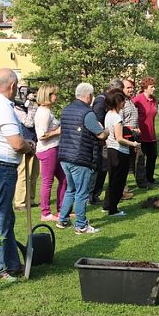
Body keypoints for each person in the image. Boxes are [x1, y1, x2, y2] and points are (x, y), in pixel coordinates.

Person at [0, 68, 36, 281]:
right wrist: (28, 147)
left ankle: (10, 263)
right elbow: (16, 143)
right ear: (11, 86)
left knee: (6, 217)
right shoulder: (1, 107)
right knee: (0, 219)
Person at [57, 83, 109, 234]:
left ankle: (63, 219)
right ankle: (81, 225)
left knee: (71, 189)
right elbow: (100, 134)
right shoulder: (88, 113)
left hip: (65, 156)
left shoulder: (65, 110)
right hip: (80, 157)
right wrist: (106, 130)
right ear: (89, 96)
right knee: (81, 192)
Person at [103, 89, 141, 216]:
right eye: (123, 100)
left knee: (112, 179)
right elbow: (119, 138)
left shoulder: (108, 114)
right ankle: (113, 209)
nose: (124, 103)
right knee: (118, 181)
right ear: (118, 102)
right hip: (119, 152)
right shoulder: (117, 117)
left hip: (111, 150)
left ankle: (107, 205)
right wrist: (134, 144)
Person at [33, 83, 65, 222]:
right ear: (47, 96)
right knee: (48, 181)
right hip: (48, 150)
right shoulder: (44, 113)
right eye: (54, 94)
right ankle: (45, 213)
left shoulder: (47, 111)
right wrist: (58, 131)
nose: (56, 97)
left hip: (54, 148)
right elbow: (42, 135)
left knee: (64, 179)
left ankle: (62, 209)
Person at [90, 78, 125, 203]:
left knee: (104, 168)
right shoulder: (101, 101)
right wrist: (103, 136)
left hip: (108, 139)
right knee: (100, 168)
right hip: (102, 140)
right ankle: (93, 195)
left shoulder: (107, 100)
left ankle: (96, 195)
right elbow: (97, 121)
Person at [13, 89, 39, 210]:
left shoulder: (32, 106)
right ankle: (20, 202)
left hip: (35, 142)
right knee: (24, 173)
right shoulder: (17, 109)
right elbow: (28, 123)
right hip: (25, 144)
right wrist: (32, 107)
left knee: (34, 173)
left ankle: (31, 199)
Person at [120, 78, 146, 189]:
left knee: (139, 159)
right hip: (126, 136)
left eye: (132, 87)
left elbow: (133, 118)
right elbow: (120, 121)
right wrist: (132, 129)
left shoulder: (130, 100)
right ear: (122, 89)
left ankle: (142, 183)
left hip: (135, 135)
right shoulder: (121, 102)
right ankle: (123, 187)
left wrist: (137, 129)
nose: (131, 90)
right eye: (128, 87)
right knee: (124, 163)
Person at [133, 77, 159, 186]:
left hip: (151, 134)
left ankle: (150, 178)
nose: (154, 89)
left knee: (152, 157)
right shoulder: (138, 99)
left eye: (154, 86)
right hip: (141, 135)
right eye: (151, 87)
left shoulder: (153, 100)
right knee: (140, 159)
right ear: (145, 88)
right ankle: (142, 181)